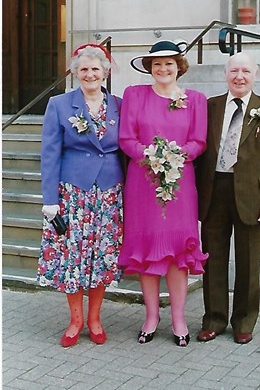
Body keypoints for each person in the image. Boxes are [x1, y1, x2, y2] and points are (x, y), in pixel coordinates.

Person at [118, 40, 208, 347]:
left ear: (179, 66)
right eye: (157, 64)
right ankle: (151, 316)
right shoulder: (135, 95)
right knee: (147, 252)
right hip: (142, 184)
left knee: (177, 253)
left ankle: (179, 318)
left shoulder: (195, 99)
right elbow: (126, 138)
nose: (163, 69)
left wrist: (177, 155)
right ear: (149, 68)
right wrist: (150, 155)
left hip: (180, 185)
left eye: (169, 63)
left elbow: (199, 141)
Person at [196, 52, 260, 344]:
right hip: (214, 191)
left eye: (245, 71)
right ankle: (214, 319)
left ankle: (244, 321)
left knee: (249, 262)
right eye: (234, 70)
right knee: (213, 260)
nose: (239, 76)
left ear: (255, 75)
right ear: (226, 74)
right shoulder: (209, 107)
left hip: (252, 196)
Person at [37, 43, 124, 347]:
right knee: (72, 257)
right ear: (75, 72)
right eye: (84, 69)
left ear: (105, 72)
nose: (89, 74)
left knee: (101, 256)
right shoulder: (59, 105)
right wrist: (50, 200)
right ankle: (75, 321)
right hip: (73, 193)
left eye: (95, 69)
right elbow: (49, 154)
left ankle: (95, 319)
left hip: (109, 195)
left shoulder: (118, 104)